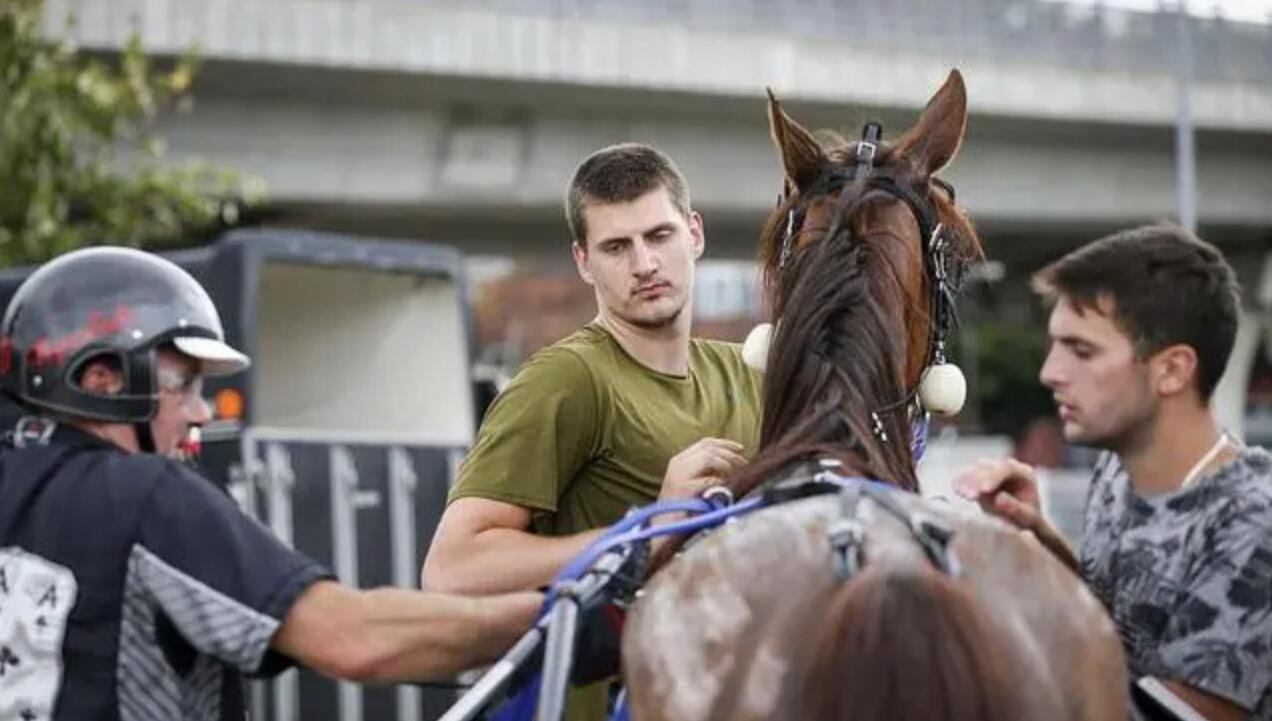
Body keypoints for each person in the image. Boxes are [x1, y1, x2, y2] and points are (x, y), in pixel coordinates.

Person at [0, 247, 541, 721]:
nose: (201, 410)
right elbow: (353, 637)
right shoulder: (145, 495)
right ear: (102, 381)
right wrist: (556, 615)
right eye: (183, 384)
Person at [422, 143, 762, 719]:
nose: (644, 264)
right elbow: (452, 570)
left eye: (659, 236)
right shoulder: (567, 380)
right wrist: (645, 530)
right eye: (616, 247)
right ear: (584, 262)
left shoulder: (749, 373)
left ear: (695, 234)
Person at [954, 225, 1272, 721]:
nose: (1050, 372)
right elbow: (1112, 632)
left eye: (1082, 351)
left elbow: (1171, 714)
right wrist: (1037, 536)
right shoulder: (1117, 471)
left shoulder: (1254, 521)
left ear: (1172, 370)